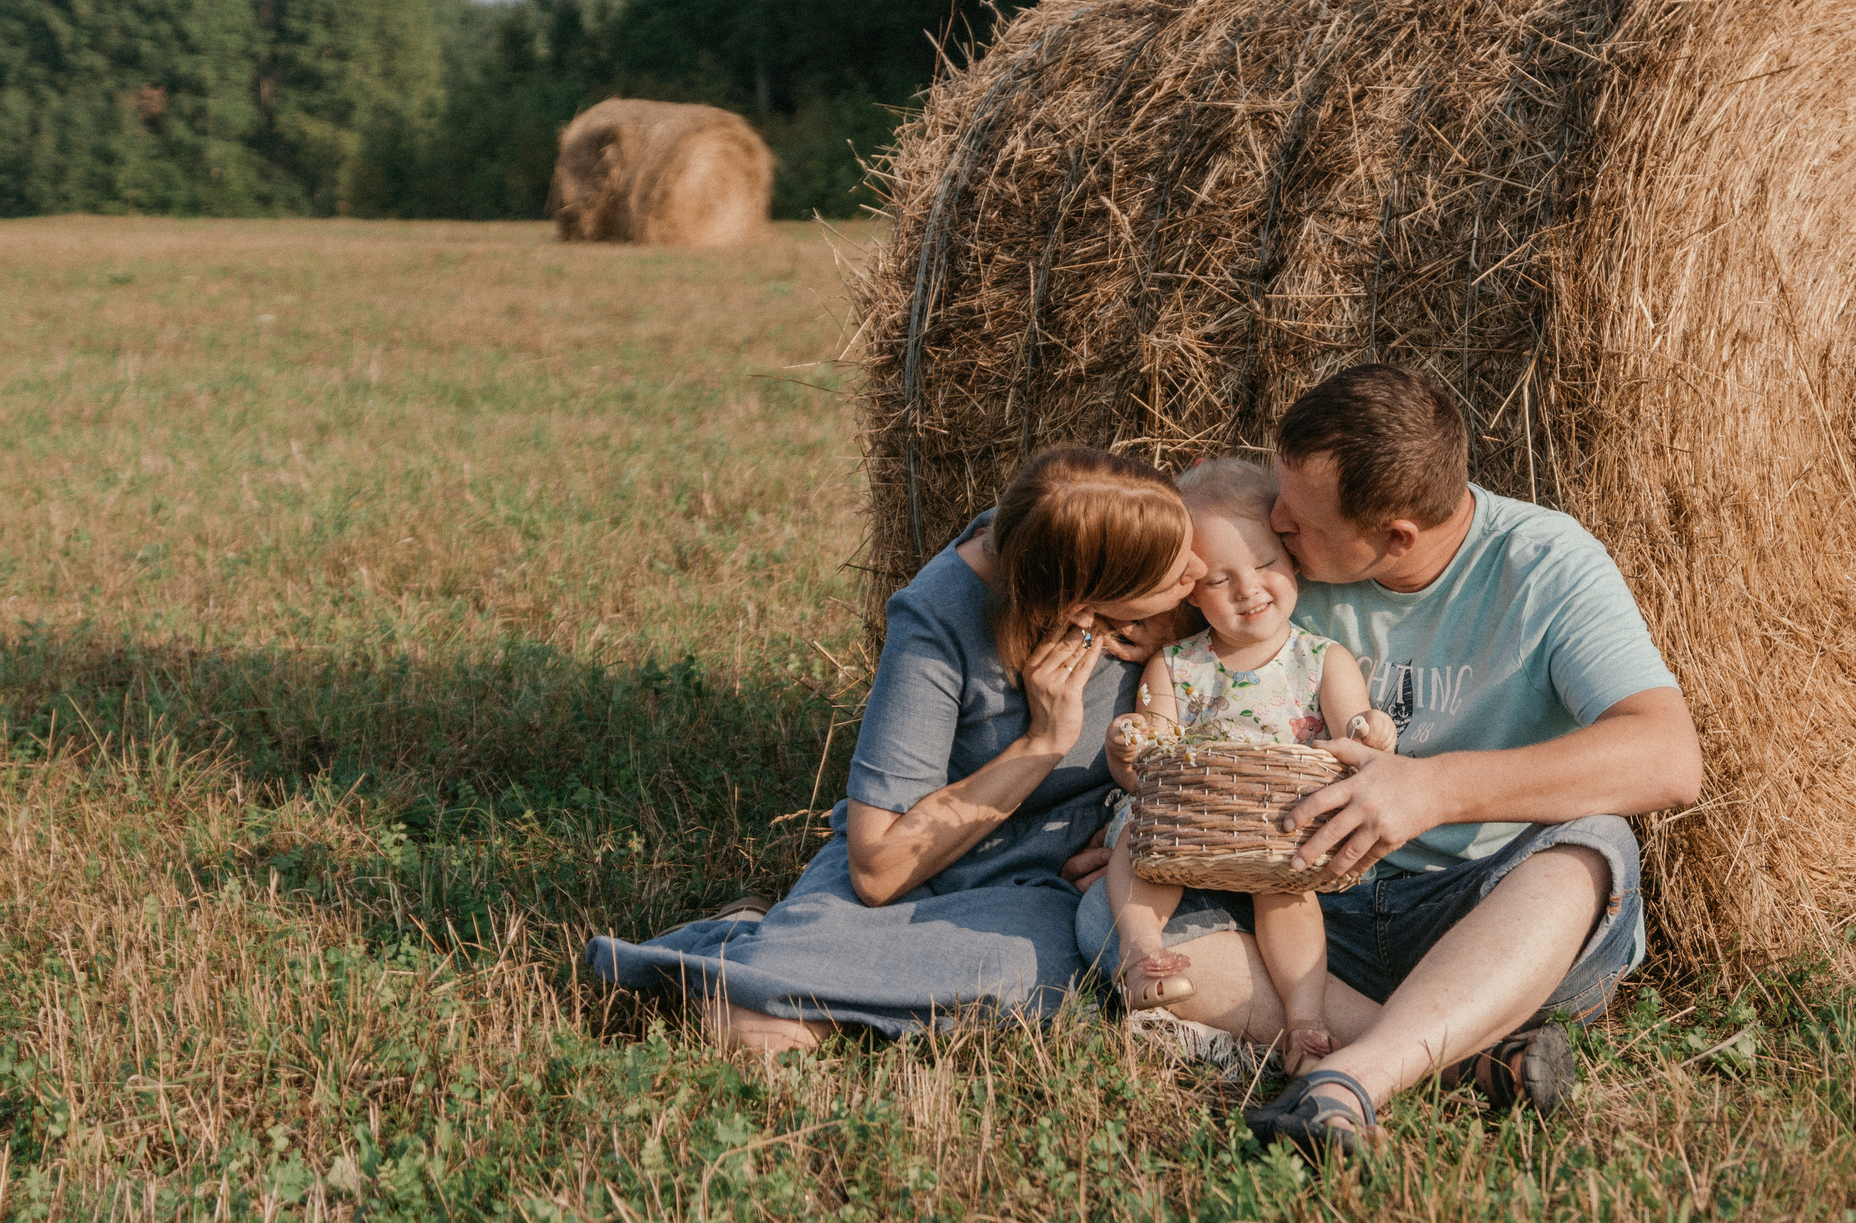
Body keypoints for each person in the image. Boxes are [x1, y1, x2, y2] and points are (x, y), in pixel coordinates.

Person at [1072, 365, 1703, 1155]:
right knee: (1108, 917)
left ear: (1395, 534)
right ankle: (1449, 1055)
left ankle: (1349, 1079)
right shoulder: (1277, 561)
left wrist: (1433, 789)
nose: (1277, 526)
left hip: (1477, 914)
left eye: (1297, 522)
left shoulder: (1544, 566)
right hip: (1301, 898)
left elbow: (1670, 755)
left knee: (1594, 845)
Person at [586, 447, 1204, 1051]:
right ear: (1080, 603)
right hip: (925, 865)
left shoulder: (1152, 582)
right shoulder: (936, 618)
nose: (1200, 576)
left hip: (1048, 886)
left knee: (1055, 965)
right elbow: (878, 868)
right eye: (1176, 579)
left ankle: (777, 958)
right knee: (754, 1034)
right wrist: (1043, 743)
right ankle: (755, 946)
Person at [1100, 458, 1396, 1071]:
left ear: (1292, 561)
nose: (1247, 589)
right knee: (1137, 839)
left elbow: (1356, 733)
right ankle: (1143, 955)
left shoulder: (1321, 659)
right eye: (1218, 580)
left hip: (1276, 823)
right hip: (1190, 821)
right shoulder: (1177, 664)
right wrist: (1128, 740)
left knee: (1288, 894)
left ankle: (1304, 1018)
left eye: (1264, 564)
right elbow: (1150, 749)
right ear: (1188, 590)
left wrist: (1373, 731)